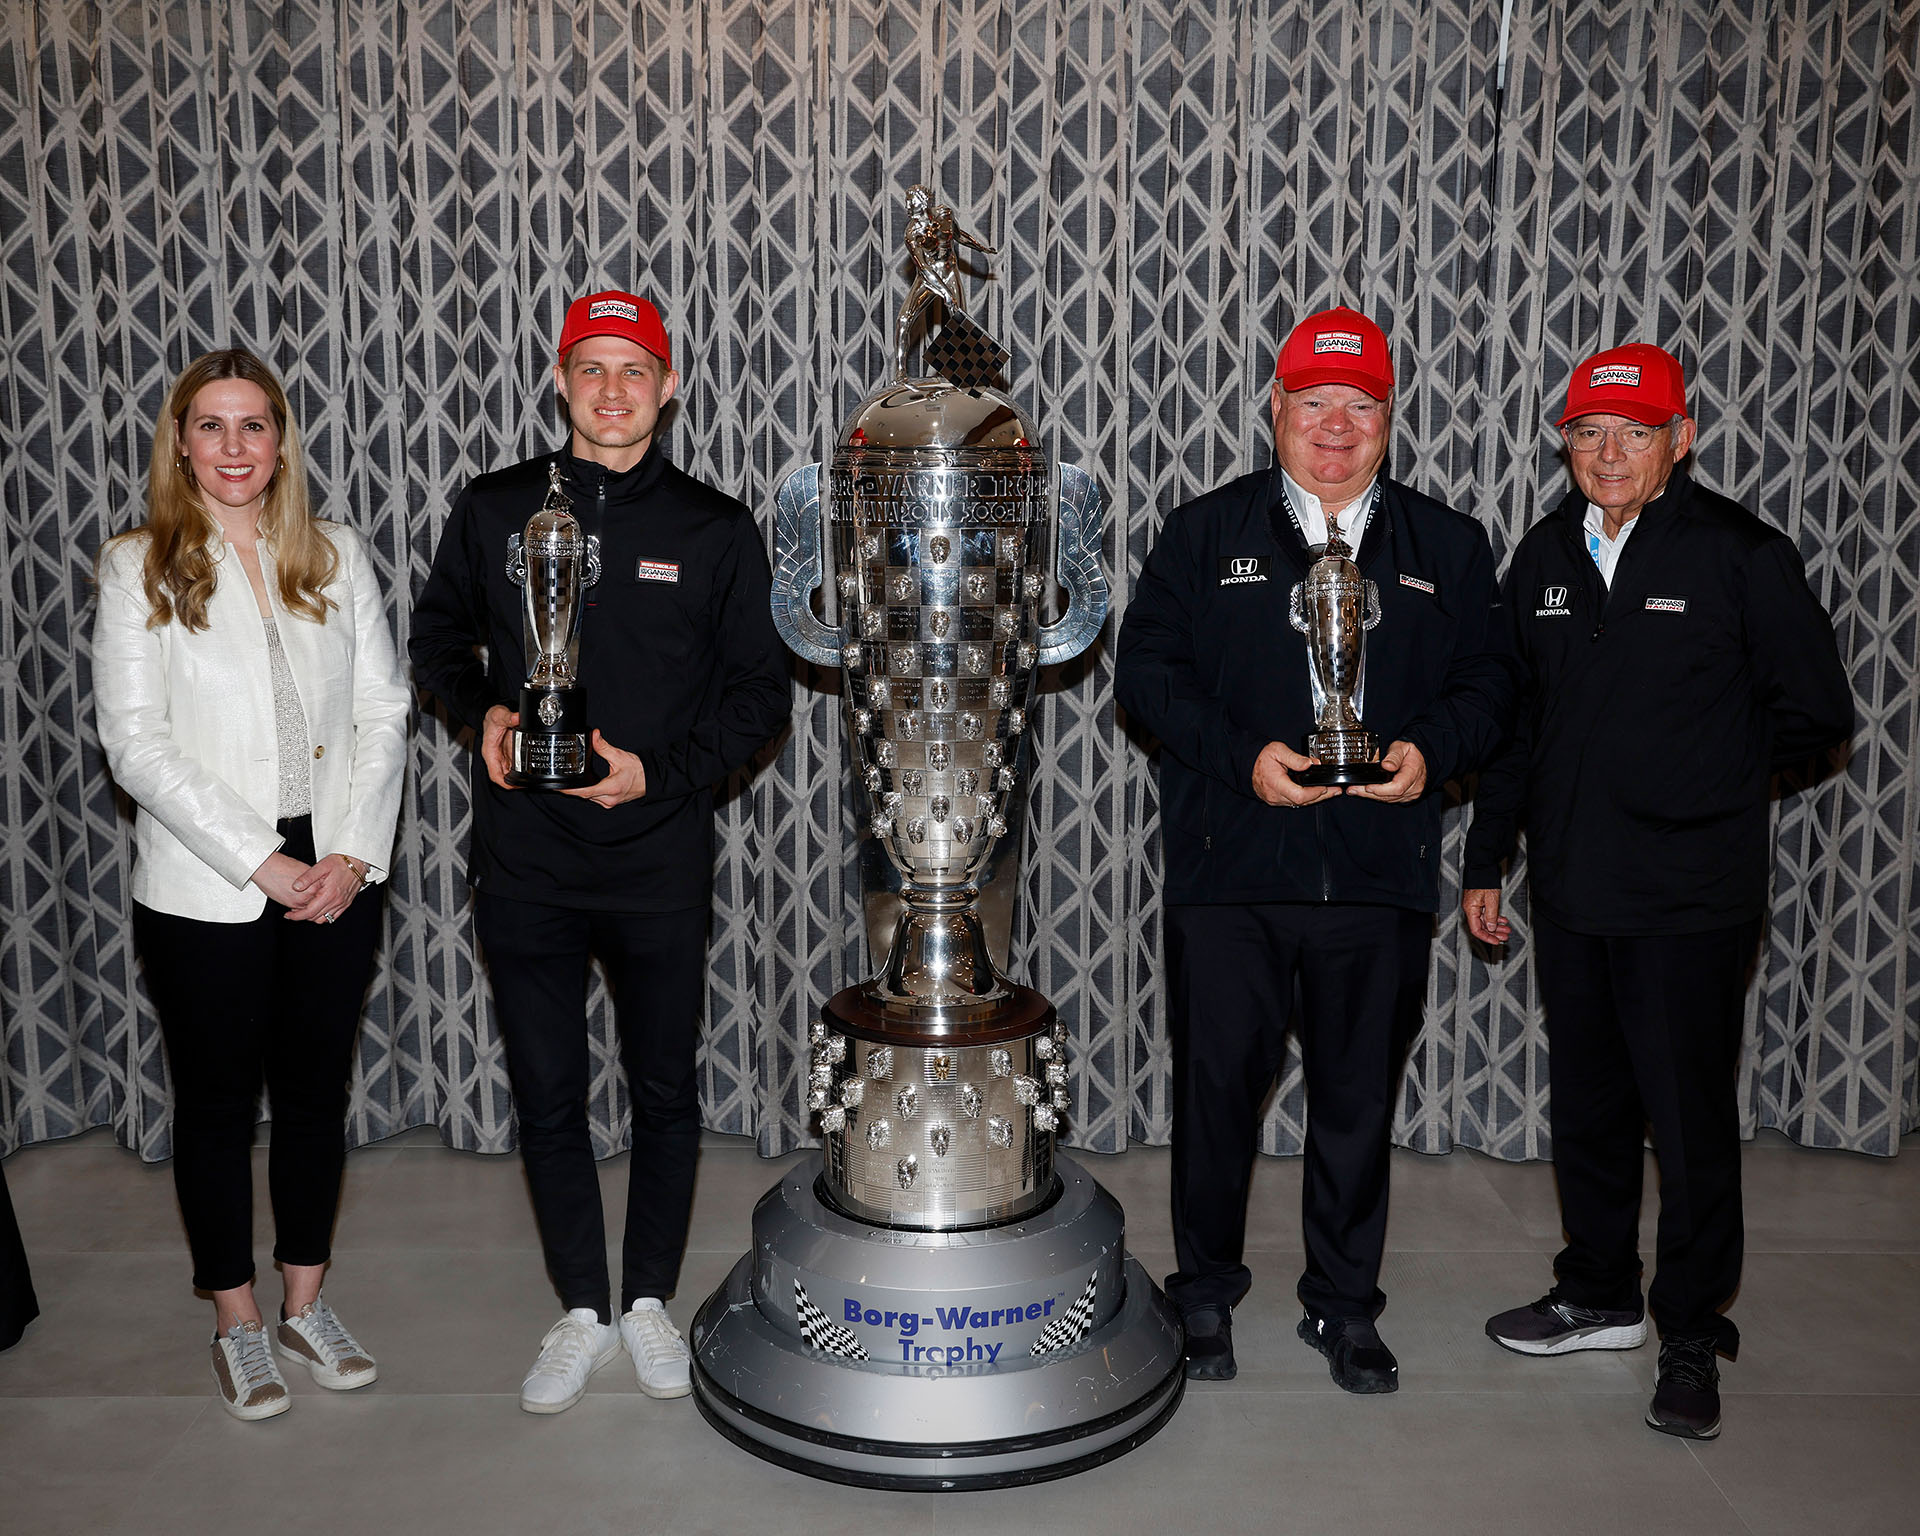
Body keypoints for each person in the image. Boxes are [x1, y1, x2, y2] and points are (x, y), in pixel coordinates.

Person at [1116, 307, 1514, 1392]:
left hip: (1377, 875)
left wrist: (1432, 753)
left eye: (1361, 405)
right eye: (1314, 402)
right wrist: (1240, 756)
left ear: (1390, 417)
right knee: (1213, 1099)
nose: (1335, 426)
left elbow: (1492, 685)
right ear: (1275, 408)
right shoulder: (1206, 533)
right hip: (1229, 871)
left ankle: (1343, 1307)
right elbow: (1145, 675)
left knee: (1355, 1102)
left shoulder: (1449, 545)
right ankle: (1202, 1295)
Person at [1463, 343, 1852, 1441]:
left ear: (1683, 438)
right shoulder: (1543, 554)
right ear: (1566, 444)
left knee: (1687, 1129)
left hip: (1691, 899)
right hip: (1574, 892)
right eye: (1589, 433)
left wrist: (1702, 778)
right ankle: (1597, 1292)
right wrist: (1487, 858)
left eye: (1636, 431)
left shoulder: (1740, 553)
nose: (1610, 452)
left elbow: (1818, 710)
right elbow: (1517, 725)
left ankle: (1689, 1329)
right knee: (1586, 1108)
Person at [409, 291, 788, 1413]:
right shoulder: (495, 509)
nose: (613, 389)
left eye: (636, 369)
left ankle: (649, 1306)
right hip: (526, 858)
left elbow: (759, 695)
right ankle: (580, 1309)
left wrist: (654, 775)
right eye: (592, 369)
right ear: (560, 382)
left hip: (657, 856)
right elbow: (436, 634)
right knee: (547, 1092)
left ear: (669, 388)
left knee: (667, 1091)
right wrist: (481, 712)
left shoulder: (715, 528)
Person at [93, 348, 409, 1420]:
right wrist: (263, 861)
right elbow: (135, 746)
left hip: (336, 874)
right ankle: (237, 1321)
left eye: (255, 426)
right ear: (181, 442)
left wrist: (352, 855)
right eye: (213, 426)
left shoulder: (336, 555)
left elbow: (383, 713)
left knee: (318, 1097)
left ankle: (306, 1303)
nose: (235, 448)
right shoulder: (137, 566)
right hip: (207, 887)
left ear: (281, 443)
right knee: (219, 1105)